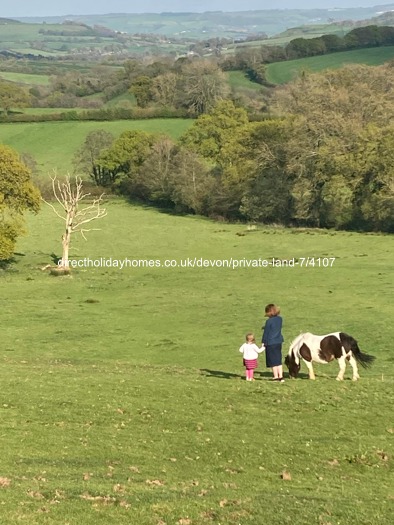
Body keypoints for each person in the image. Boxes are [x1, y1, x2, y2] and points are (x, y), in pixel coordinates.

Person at [262, 304, 285, 382]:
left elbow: (266, 333)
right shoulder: (280, 319)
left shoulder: (268, 321)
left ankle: (275, 376)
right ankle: (281, 376)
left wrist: (263, 341)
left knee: (273, 361)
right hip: (278, 341)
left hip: (270, 342)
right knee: (278, 359)